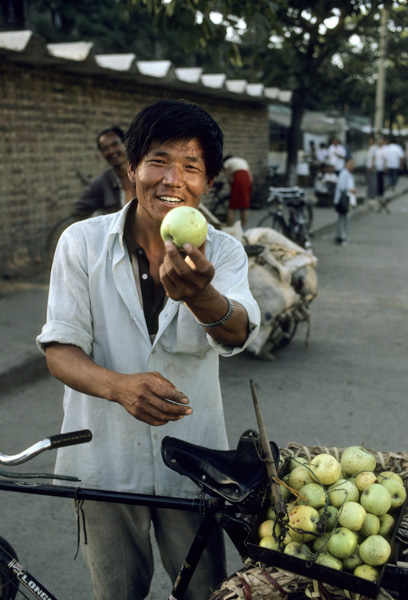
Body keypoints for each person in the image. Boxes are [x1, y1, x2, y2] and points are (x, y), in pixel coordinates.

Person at [36, 99, 261, 600]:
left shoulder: (221, 252)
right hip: (105, 465)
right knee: (116, 592)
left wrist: (201, 296)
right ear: (132, 167)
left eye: (191, 167)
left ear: (208, 182)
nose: (172, 180)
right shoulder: (82, 243)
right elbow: (59, 350)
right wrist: (118, 388)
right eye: (158, 161)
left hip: (195, 468)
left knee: (205, 592)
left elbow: (239, 331)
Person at [71, 126, 135, 217]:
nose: (111, 151)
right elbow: (78, 211)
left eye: (115, 144)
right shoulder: (101, 183)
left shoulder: (143, 172)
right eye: (105, 148)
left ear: (124, 144)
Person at [223, 155, 253, 228]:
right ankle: (243, 228)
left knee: (232, 206)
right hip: (247, 180)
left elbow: (228, 178)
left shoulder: (226, 162)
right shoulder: (242, 160)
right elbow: (251, 178)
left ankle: (229, 227)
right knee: (244, 206)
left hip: (238, 179)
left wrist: (232, 187)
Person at [333, 158, 357, 246]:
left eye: (353, 164)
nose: (353, 166)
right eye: (351, 164)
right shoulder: (344, 174)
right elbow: (342, 187)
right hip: (343, 200)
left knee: (342, 219)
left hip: (344, 200)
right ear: (346, 164)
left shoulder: (347, 174)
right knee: (344, 220)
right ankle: (343, 238)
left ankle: (339, 236)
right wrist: (352, 190)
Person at [365, 135, 377, 200]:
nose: (369, 141)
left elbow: (374, 157)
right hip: (368, 165)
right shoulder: (370, 147)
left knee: (372, 181)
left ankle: (372, 194)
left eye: (371, 140)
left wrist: (372, 165)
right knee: (369, 181)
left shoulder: (374, 148)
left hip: (371, 166)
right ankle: (370, 194)